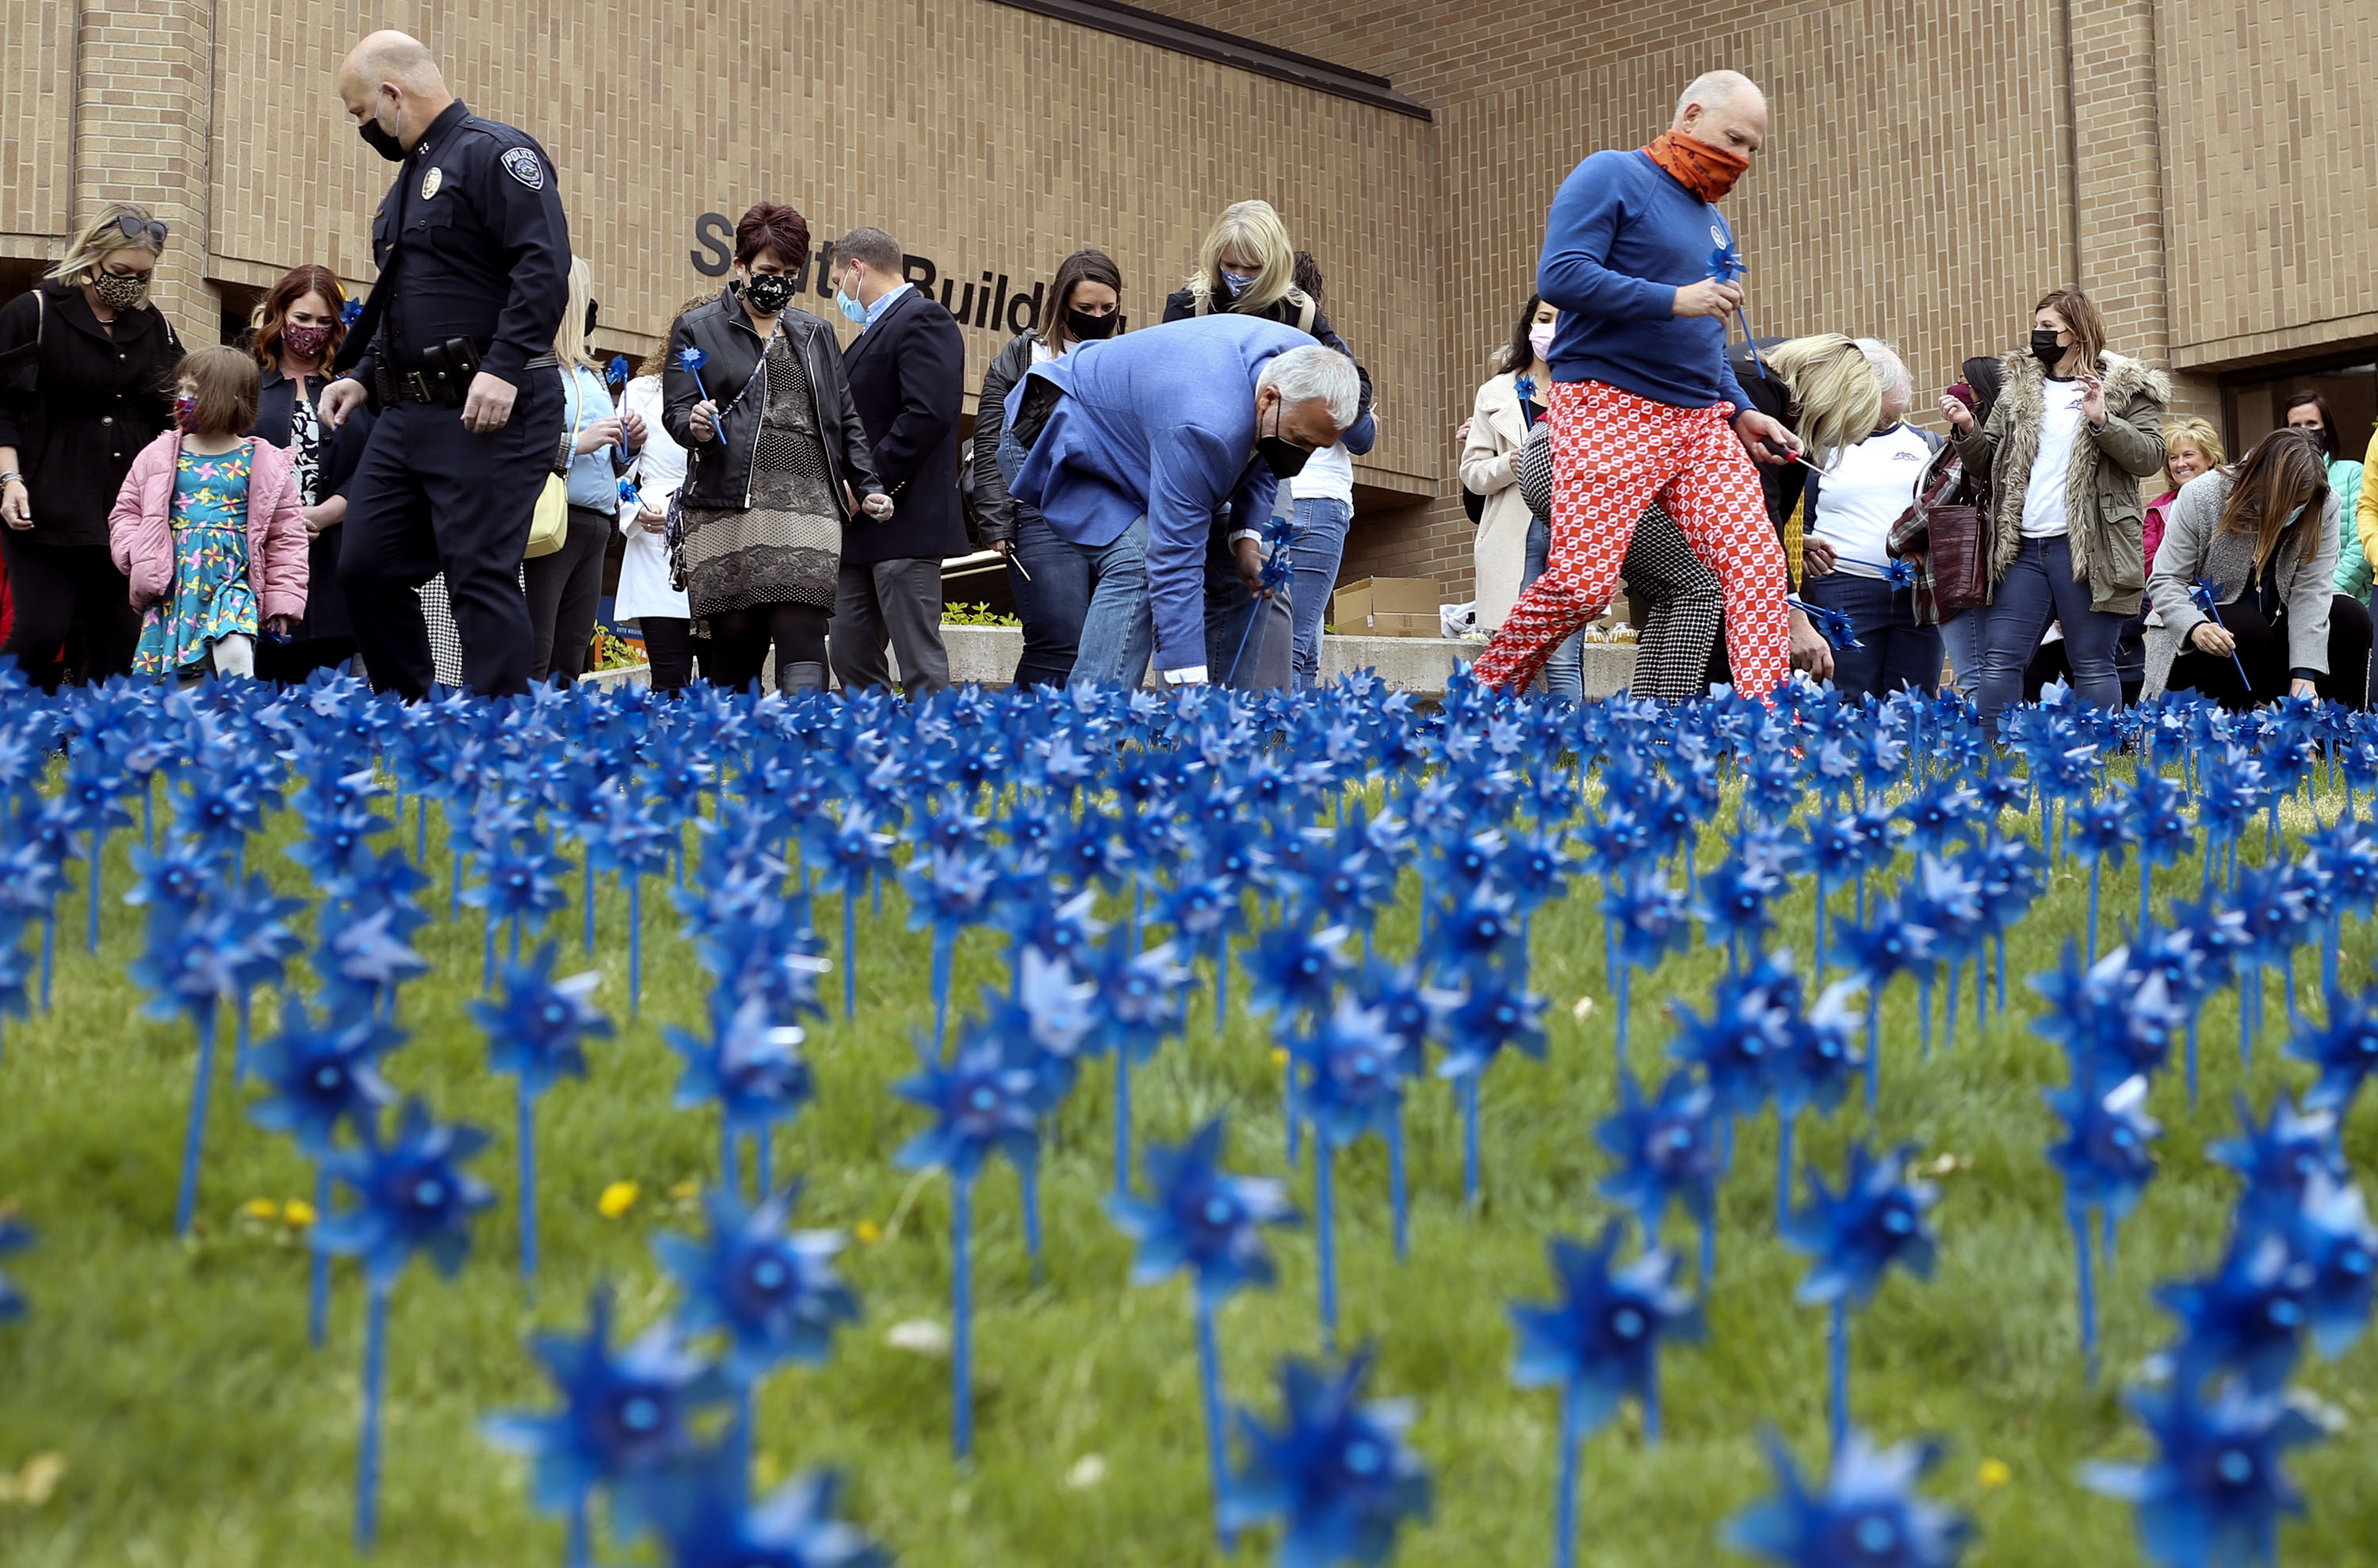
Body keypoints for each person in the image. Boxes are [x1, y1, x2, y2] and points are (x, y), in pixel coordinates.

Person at [1474, 70, 1800, 698]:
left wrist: (1737, 410)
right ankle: (1482, 696)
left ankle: (1771, 743)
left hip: (1699, 424)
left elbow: (1703, 341)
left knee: (1759, 567)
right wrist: (1674, 298)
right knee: (1581, 586)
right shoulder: (1611, 174)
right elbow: (1562, 276)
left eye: (1753, 149)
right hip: (1607, 408)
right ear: (1691, 115)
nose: (1741, 159)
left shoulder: (1713, 222)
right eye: (1734, 139)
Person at [319, 30, 571, 699]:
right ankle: (412, 716)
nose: (362, 127)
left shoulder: (495, 154)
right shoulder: (405, 186)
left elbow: (543, 269)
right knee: (366, 566)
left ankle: (498, 738)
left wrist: (507, 363)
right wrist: (362, 374)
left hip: (489, 405)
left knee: (478, 571)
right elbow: (406, 298)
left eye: (360, 113)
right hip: (409, 413)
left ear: (392, 94)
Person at [1005, 316, 1359, 686]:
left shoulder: (1300, 362)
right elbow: (1175, 559)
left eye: (1314, 448)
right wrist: (1186, 678)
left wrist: (1247, 540)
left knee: (1243, 574)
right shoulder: (1204, 425)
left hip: (1136, 446)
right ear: (1269, 397)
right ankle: (1091, 733)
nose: (1299, 459)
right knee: (1136, 563)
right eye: (1300, 441)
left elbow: (1269, 452)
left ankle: (1216, 726)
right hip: (1055, 433)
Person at [664, 203, 892, 694]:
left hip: (810, 505)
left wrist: (868, 486)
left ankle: (803, 754)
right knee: (735, 642)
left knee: (803, 629)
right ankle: (734, 760)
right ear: (740, 266)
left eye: (790, 274)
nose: (779, 283)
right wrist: (697, 425)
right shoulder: (698, 328)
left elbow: (844, 417)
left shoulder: (816, 334)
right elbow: (677, 412)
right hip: (727, 504)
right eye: (768, 271)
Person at [1940, 286, 2167, 739]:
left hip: (2089, 545)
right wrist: (1967, 429)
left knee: (2091, 659)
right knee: (2001, 657)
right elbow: (1989, 464)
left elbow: (2149, 457)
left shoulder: (2127, 389)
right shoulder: (2018, 389)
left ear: (2077, 332)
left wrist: (2103, 420)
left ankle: (2099, 759)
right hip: (2021, 546)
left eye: (2049, 327)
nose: (2038, 334)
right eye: (2037, 324)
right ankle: (1992, 754)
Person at [0, 203, 184, 690]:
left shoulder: (156, 327)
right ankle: (15, 733)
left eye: (143, 276)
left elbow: (176, 407)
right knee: (40, 632)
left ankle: (95, 749)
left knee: (118, 641)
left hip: (125, 508)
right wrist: (9, 478)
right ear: (91, 258)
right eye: (121, 272)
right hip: (46, 499)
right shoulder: (33, 312)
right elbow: (1, 405)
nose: (131, 284)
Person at [108, 346, 308, 685]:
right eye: (182, 389)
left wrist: (282, 599)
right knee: (181, 681)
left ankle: (238, 707)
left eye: (195, 392)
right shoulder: (158, 454)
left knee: (234, 639)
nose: (183, 399)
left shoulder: (264, 462)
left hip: (233, 581)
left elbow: (286, 536)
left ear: (231, 399)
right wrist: (135, 554)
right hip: (174, 584)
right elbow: (127, 511)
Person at [973, 247, 1123, 686]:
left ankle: (1077, 745)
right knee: (1059, 638)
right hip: (1039, 510)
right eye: (1086, 308)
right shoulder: (1023, 357)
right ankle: (1020, 745)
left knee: (1102, 642)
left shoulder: (1125, 356)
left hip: (1111, 513)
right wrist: (997, 521)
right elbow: (990, 439)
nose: (1098, 316)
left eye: (1108, 308)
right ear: (1061, 304)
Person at [824, 226, 964, 696]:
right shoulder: (867, 335)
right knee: (848, 650)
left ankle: (937, 759)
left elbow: (927, 414)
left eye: (838, 279)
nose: (839, 293)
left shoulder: (924, 318)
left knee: (918, 658)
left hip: (904, 520)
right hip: (859, 529)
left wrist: (868, 482)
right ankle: (877, 756)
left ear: (857, 270)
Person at [2144, 426, 2370, 709]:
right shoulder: (2201, 495)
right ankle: (2234, 729)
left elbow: (2312, 589)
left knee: (2349, 615)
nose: (2291, 512)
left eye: (2299, 504)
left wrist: (2305, 674)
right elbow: (2165, 580)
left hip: (2280, 636)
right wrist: (2196, 627)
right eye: (2285, 503)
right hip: (2212, 641)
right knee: (2246, 627)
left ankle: (2323, 729)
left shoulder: (2324, 504)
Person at [1514, 417, 1721, 700]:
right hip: (1591, 449)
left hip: (1545, 452)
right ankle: (1670, 727)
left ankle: (1647, 725)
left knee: (1669, 591)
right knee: (1700, 586)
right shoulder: (1751, 384)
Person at [1790, 337, 1944, 701]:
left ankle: (1909, 760)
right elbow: (1798, 519)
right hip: (1842, 590)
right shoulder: (1821, 446)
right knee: (1843, 697)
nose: (1903, 395)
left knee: (1913, 701)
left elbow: (1943, 513)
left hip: (1916, 591)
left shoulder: (1928, 444)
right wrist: (1803, 551)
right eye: (1895, 387)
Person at [247, 264, 371, 683]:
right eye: (301, 318)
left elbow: (376, 463)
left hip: (336, 553)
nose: (311, 330)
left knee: (332, 687)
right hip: (263, 561)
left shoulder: (355, 386)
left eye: (324, 322)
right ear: (279, 315)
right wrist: (281, 521)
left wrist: (326, 513)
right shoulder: (249, 384)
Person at [526, 258, 641, 686]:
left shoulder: (590, 375)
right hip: (551, 521)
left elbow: (607, 457)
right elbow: (514, 445)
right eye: (586, 298)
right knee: (536, 650)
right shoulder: (532, 369)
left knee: (571, 654)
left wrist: (628, 445)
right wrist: (577, 444)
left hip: (595, 524)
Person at [1160, 200, 1374, 412]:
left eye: (1253, 267)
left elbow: (1355, 383)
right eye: (1230, 265)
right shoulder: (1189, 307)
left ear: (1274, 264)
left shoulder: (1298, 311)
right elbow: (1162, 384)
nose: (1239, 275)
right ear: (1216, 259)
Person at [1280, 251, 1378, 693]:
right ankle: (1284, 743)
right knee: (1297, 641)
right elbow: (1359, 435)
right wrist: (1368, 419)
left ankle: (1291, 740)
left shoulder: (1250, 342)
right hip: (1317, 497)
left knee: (1303, 638)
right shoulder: (1325, 350)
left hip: (1270, 497)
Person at [617, 311, 703, 691]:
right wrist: (636, 509)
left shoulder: (740, 390)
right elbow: (616, 471)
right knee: (670, 677)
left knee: (726, 680)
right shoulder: (641, 392)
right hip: (657, 539)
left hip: (720, 533)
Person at [1463, 295, 1552, 638]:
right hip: (1518, 531)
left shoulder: (1583, 389)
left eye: (1563, 320)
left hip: (1571, 531)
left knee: (1563, 662)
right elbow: (1472, 473)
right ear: (1529, 324)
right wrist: (1508, 464)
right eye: (1544, 319)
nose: (1552, 329)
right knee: (1515, 648)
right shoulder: (1496, 391)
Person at [1933, 355, 2007, 699]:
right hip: (1960, 565)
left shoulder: (1989, 439)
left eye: (1966, 381)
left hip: (1969, 564)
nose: (1958, 387)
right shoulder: (1953, 439)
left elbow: (1938, 499)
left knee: (1975, 676)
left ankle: (1988, 747)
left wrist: (1896, 540)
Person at [2284, 392, 2368, 599]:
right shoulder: (2278, 485)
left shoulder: (2352, 473)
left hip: (2347, 599)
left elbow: (2361, 543)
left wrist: (2329, 592)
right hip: (2294, 602)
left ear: (2326, 429)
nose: (2304, 431)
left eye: (2312, 423)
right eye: (2296, 426)